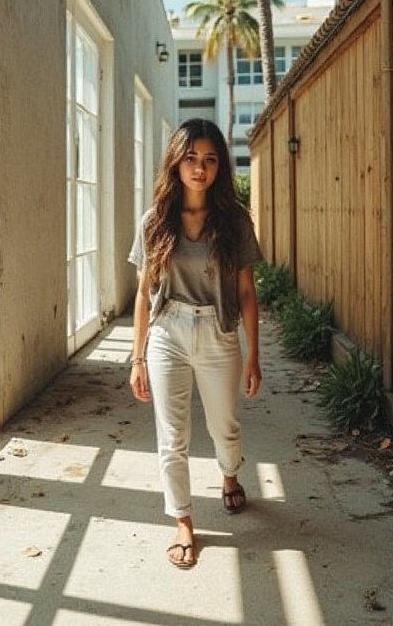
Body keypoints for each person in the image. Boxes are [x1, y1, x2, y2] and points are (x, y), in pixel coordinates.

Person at [128, 118, 263, 569]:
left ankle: (229, 475)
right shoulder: (155, 222)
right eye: (191, 159)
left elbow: (246, 292)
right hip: (168, 333)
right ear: (176, 162)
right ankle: (183, 521)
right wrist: (138, 357)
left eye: (209, 160)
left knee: (224, 428)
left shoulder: (235, 220)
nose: (199, 168)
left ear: (219, 166)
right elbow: (144, 294)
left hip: (218, 332)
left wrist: (253, 355)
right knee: (172, 437)